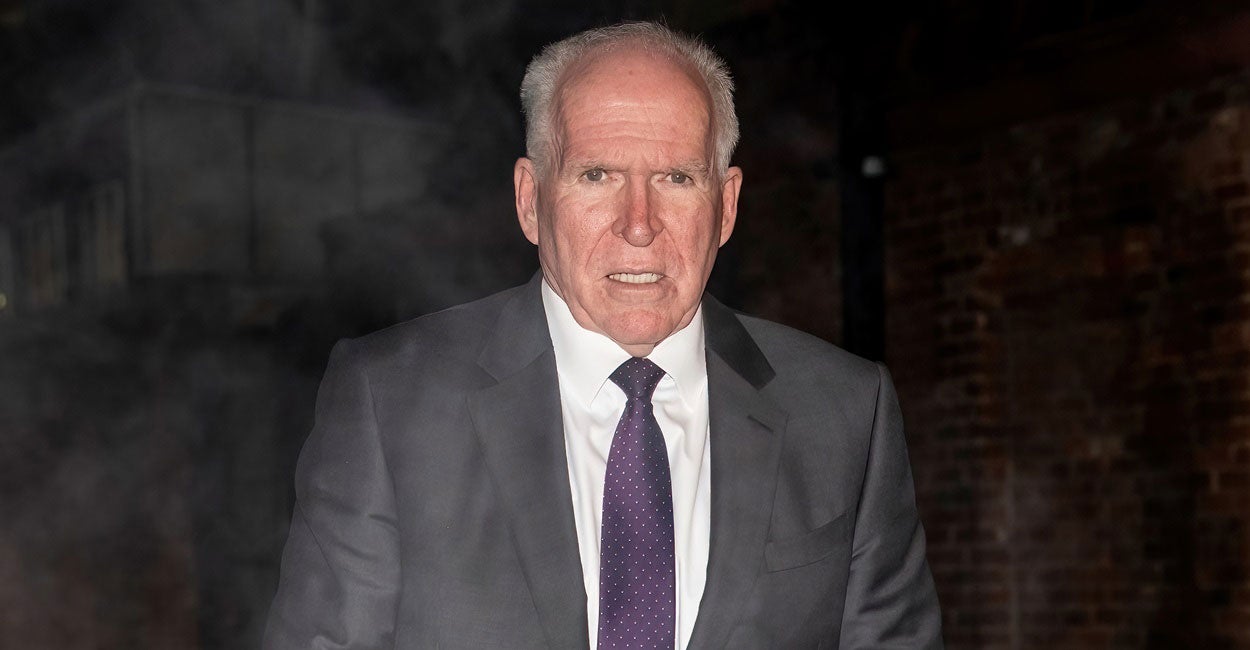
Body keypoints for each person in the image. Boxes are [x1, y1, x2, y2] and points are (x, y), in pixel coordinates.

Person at [264, 21, 942, 650]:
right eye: (597, 175)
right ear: (530, 200)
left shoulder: (845, 412)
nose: (639, 223)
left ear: (727, 205)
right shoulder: (391, 401)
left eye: (676, 177)